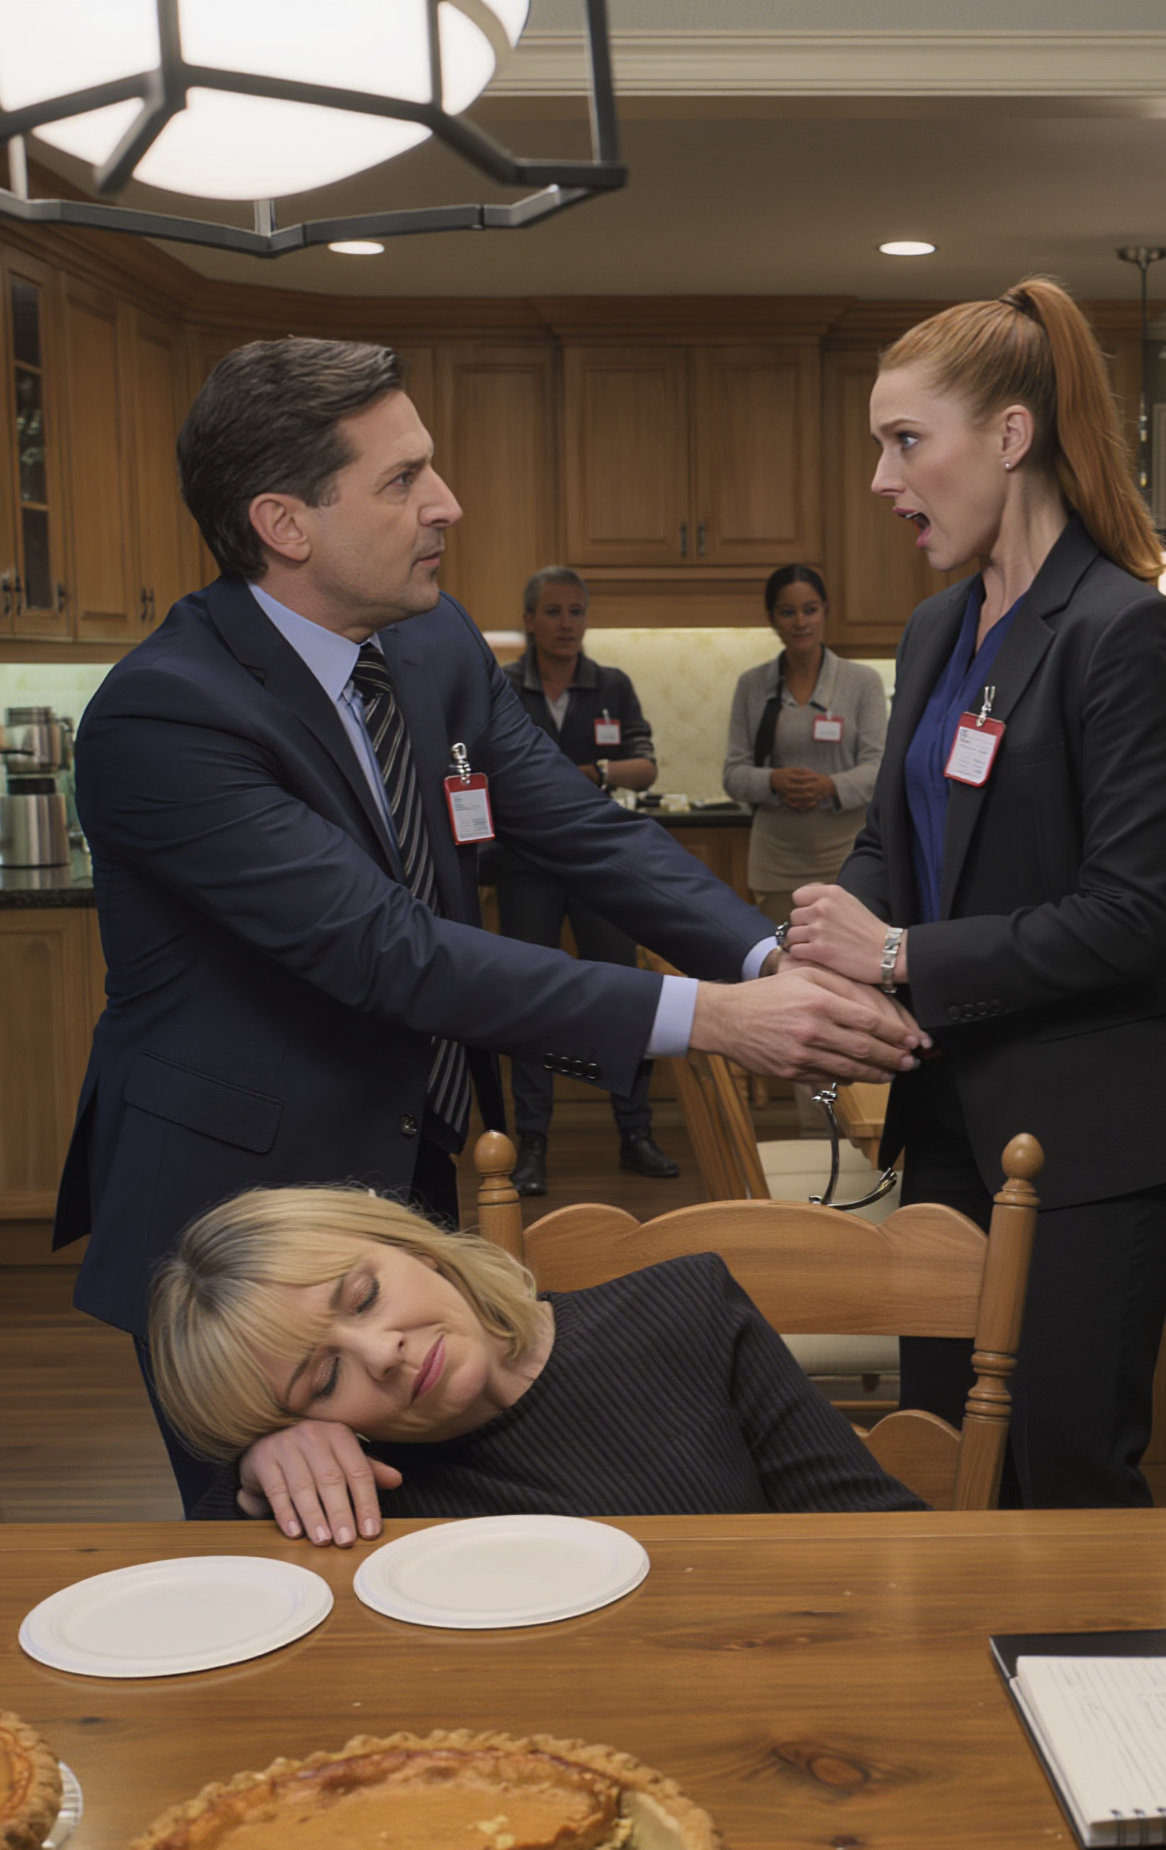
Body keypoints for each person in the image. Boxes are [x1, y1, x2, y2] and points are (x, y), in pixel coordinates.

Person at [59, 338, 926, 1516]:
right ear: (285, 522)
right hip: (231, 1260)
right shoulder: (164, 716)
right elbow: (389, 949)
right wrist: (718, 1017)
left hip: (391, 1203)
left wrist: (771, 959)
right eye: (403, 478)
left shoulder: (430, 642)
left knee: (439, 1537)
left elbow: (579, 827)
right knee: (290, 1560)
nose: (447, 503)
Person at [784, 277, 1166, 1508]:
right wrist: (832, 946)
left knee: (1067, 1469)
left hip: (1090, 1133)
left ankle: (1105, 1703)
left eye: (904, 440)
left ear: (1009, 435)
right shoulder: (938, 626)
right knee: (946, 1456)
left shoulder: (1123, 630)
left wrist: (896, 958)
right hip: (948, 1126)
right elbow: (891, 838)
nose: (881, 479)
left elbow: (1129, 920)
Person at [148, 1186, 924, 1531]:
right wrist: (252, 1480)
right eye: (324, 1378)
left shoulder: (688, 1311)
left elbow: (878, 1535)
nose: (381, 1353)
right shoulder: (355, 1490)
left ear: (417, 1248)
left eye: (363, 1298)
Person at [494, 565, 675, 1196]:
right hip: (525, 866)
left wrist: (594, 771)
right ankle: (533, 1144)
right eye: (554, 612)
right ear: (529, 620)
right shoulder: (502, 686)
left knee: (621, 993)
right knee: (529, 1001)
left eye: (576, 612)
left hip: (600, 865)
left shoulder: (612, 685)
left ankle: (635, 1133)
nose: (567, 624)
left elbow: (645, 767)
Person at [723, 564, 889, 933]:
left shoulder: (862, 682)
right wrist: (775, 780)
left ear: (826, 610)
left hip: (850, 854)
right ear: (771, 619)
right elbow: (733, 774)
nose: (801, 622)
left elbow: (879, 766)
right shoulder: (752, 685)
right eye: (788, 612)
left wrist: (828, 786)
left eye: (810, 610)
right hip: (777, 858)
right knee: (782, 966)